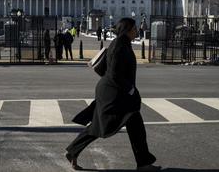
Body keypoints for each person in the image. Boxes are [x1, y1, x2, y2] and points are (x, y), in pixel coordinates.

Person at [65, 18, 160, 171]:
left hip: (115, 91)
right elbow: (115, 73)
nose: (137, 31)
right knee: (101, 126)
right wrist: (130, 90)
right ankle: (73, 151)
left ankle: (143, 163)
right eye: (134, 28)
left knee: (132, 125)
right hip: (114, 93)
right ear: (128, 29)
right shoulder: (119, 45)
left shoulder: (122, 43)